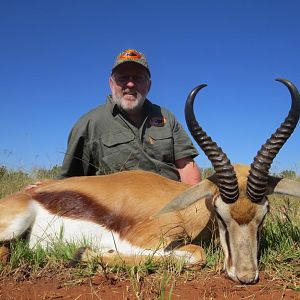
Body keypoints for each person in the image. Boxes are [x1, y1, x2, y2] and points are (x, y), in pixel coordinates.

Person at [59, 49, 201, 185]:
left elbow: (187, 167)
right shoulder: (89, 123)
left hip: (171, 205)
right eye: (123, 78)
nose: (130, 84)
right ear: (111, 84)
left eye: (138, 78)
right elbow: (69, 182)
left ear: (149, 85)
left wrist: (195, 206)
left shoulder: (166, 117)